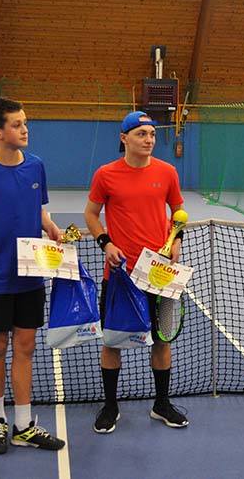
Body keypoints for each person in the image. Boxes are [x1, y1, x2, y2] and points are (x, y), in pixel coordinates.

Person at [0, 98, 66, 454]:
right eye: (17, 124)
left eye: (25, 123)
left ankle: (23, 425)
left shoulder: (36, 166)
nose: (25, 129)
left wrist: (51, 227)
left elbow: (39, 209)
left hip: (31, 276)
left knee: (25, 347)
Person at [84, 110, 188, 434]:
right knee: (112, 341)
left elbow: (178, 212)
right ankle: (110, 406)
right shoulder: (105, 175)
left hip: (159, 274)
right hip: (120, 274)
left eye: (152, 134)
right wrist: (105, 243)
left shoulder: (168, 172)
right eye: (142, 134)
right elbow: (91, 214)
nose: (149, 139)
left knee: (162, 340)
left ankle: (161, 404)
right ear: (124, 138)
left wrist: (177, 241)